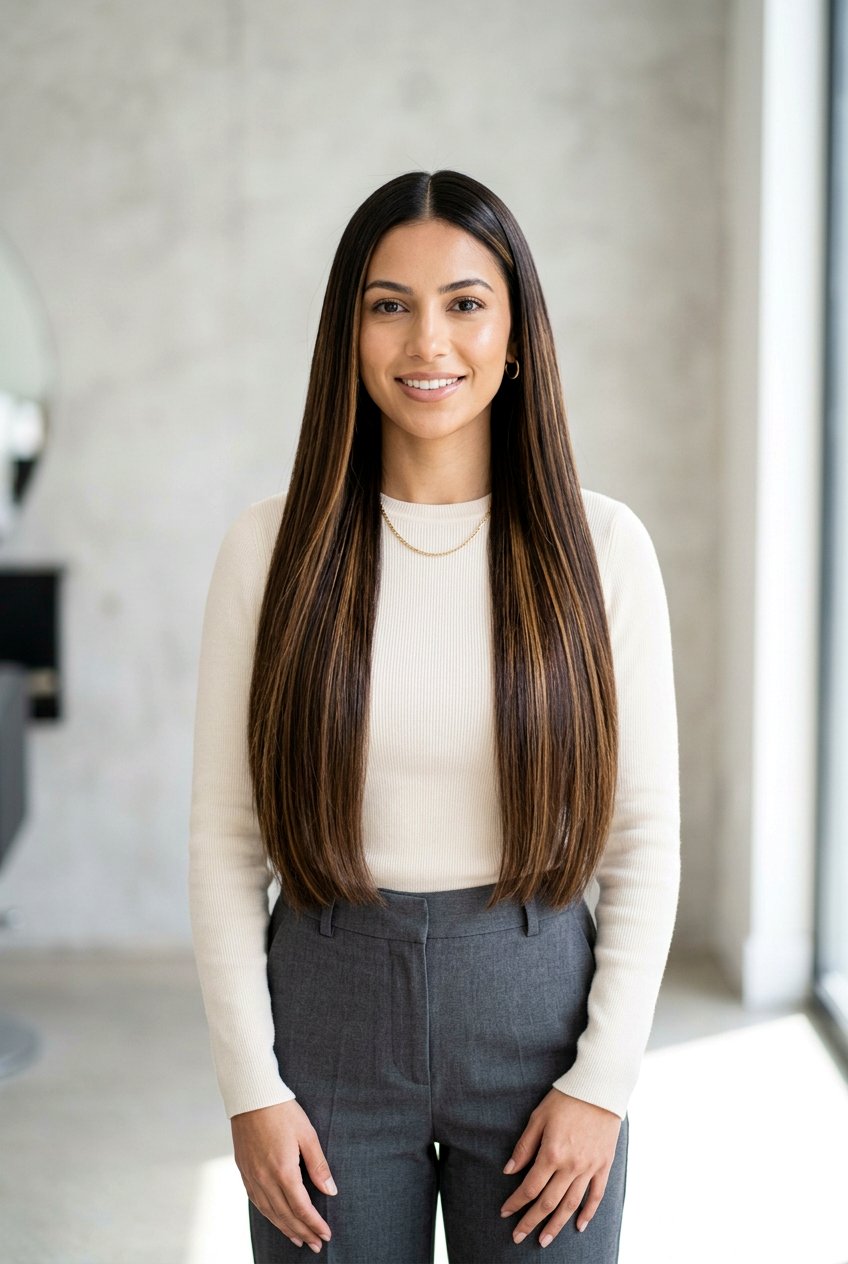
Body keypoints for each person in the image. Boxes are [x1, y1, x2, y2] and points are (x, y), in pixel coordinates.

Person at [188, 168, 681, 1263]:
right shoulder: (270, 551)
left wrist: (600, 1085)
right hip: (324, 1016)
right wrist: (249, 1091)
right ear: (348, 333)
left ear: (514, 335)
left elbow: (642, 840)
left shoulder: (601, 550)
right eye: (387, 304)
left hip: (538, 1016)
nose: (427, 343)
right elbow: (226, 843)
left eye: (464, 302)